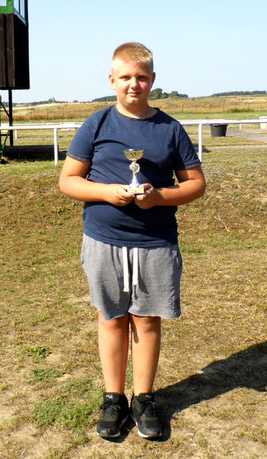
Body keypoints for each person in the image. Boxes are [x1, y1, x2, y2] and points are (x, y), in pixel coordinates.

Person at [58, 42, 206, 439]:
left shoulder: (170, 129)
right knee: (112, 318)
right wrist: (106, 192)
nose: (133, 85)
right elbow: (68, 180)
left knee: (146, 319)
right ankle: (114, 398)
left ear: (153, 81)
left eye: (141, 77)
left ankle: (144, 397)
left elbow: (196, 185)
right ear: (112, 81)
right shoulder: (97, 124)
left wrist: (159, 197)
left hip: (155, 242)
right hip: (104, 240)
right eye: (125, 77)